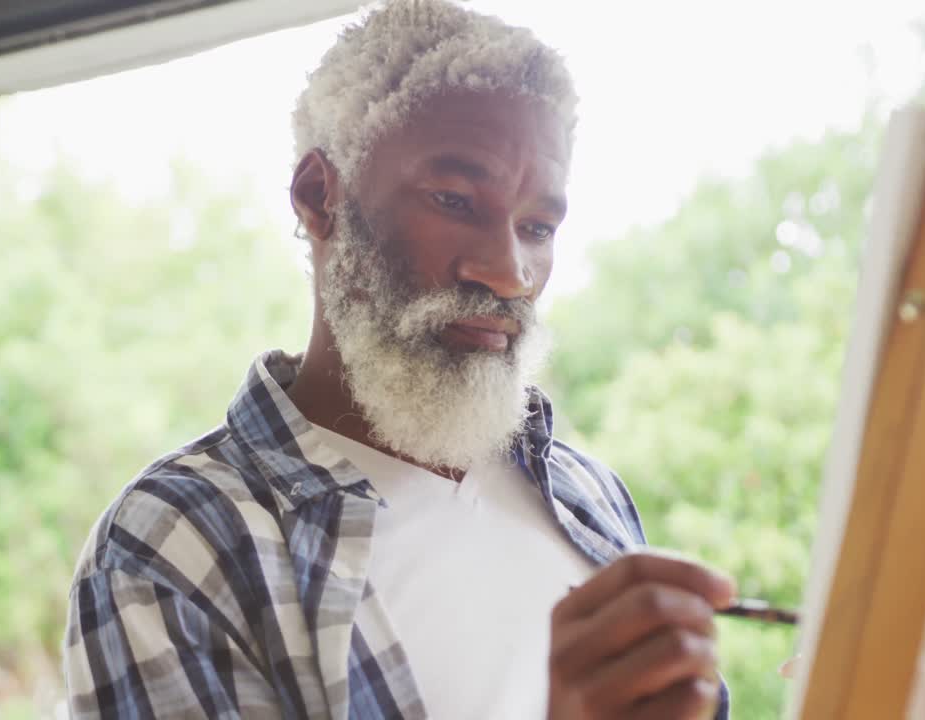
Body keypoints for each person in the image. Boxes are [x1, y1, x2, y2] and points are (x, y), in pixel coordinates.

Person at [63, 1, 735, 717]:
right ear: (320, 197)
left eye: (537, 226)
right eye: (454, 200)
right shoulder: (174, 545)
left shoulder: (588, 493)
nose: (509, 272)